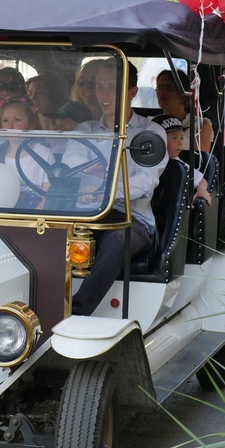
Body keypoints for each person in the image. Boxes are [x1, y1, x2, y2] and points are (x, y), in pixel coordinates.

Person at [62, 59, 168, 316]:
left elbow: (147, 180)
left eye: (113, 87)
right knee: (45, 234)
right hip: (85, 215)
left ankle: (75, 313)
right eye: (100, 87)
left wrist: (106, 191)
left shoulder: (151, 133)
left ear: (132, 92)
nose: (104, 95)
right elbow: (69, 163)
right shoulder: (84, 131)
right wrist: (90, 169)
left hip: (131, 219)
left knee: (117, 240)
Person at [0, 95, 52, 208]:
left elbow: (47, 198)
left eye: (17, 120)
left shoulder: (44, 155)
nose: (10, 126)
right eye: (5, 121)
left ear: (32, 124)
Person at [152, 114, 212, 206]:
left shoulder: (178, 164)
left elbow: (201, 180)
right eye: (174, 138)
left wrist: (202, 190)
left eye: (181, 138)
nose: (180, 143)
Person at [155, 69, 213, 153]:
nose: (162, 91)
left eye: (169, 87)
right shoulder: (151, 123)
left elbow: (199, 162)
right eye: (159, 87)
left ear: (183, 94)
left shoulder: (201, 125)